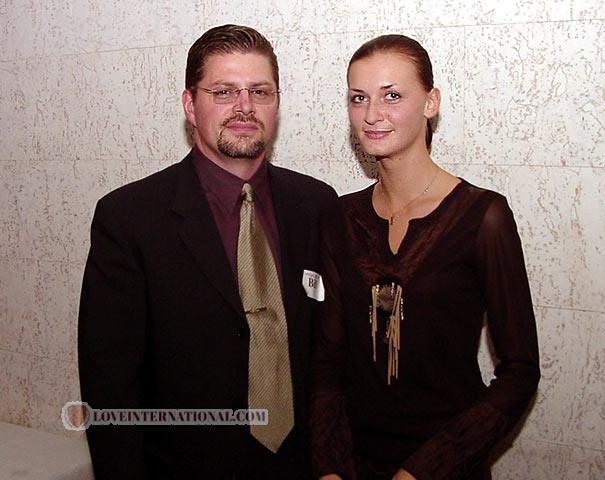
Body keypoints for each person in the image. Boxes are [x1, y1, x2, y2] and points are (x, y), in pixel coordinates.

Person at [78, 24, 336, 479]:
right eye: (223, 92)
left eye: (260, 91)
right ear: (189, 106)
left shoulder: (317, 204)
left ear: (277, 104)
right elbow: (110, 385)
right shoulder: (130, 218)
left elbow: (332, 355)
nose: (245, 106)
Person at [309, 34, 540, 480]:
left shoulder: (483, 217)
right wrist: (329, 467)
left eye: (392, 96)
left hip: (445, 466)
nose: (372, 114)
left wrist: (423, 470)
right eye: (359, 98)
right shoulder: (340, 217)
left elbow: (520, 371)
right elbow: (327, 360)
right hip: (353, 463)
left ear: (431, 102)